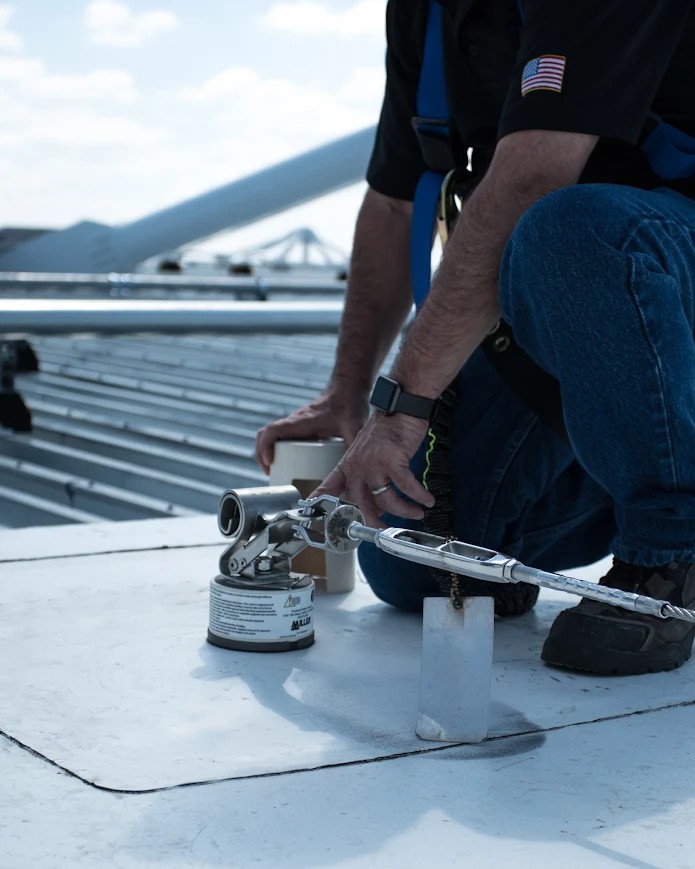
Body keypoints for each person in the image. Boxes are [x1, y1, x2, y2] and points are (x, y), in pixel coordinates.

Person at [256, 0, 695, 676]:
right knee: (416, 564)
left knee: (569, 230)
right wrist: (344, 395)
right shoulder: (425, 11)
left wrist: (398, 409)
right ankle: (651, 466)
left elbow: (531, 175)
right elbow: (394, 200)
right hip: (581, 311)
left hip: (639, 262)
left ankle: (671, 551)